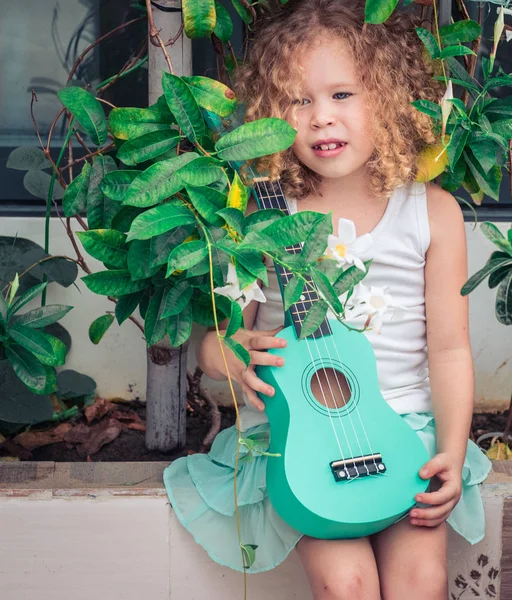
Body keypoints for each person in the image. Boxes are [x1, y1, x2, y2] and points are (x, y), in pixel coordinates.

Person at [164, 1, 492, 597]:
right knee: (347, 585)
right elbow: (215, 341)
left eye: (342, 95)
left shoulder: (431, 213)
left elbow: (448, 350)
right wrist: (227, 353)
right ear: (268, 114)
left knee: (421, 581)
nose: (320, 118)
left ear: (388, 98)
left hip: (406, 433)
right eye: (297, 100)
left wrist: (449, 449)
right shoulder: (263, 213)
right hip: (306, 441)